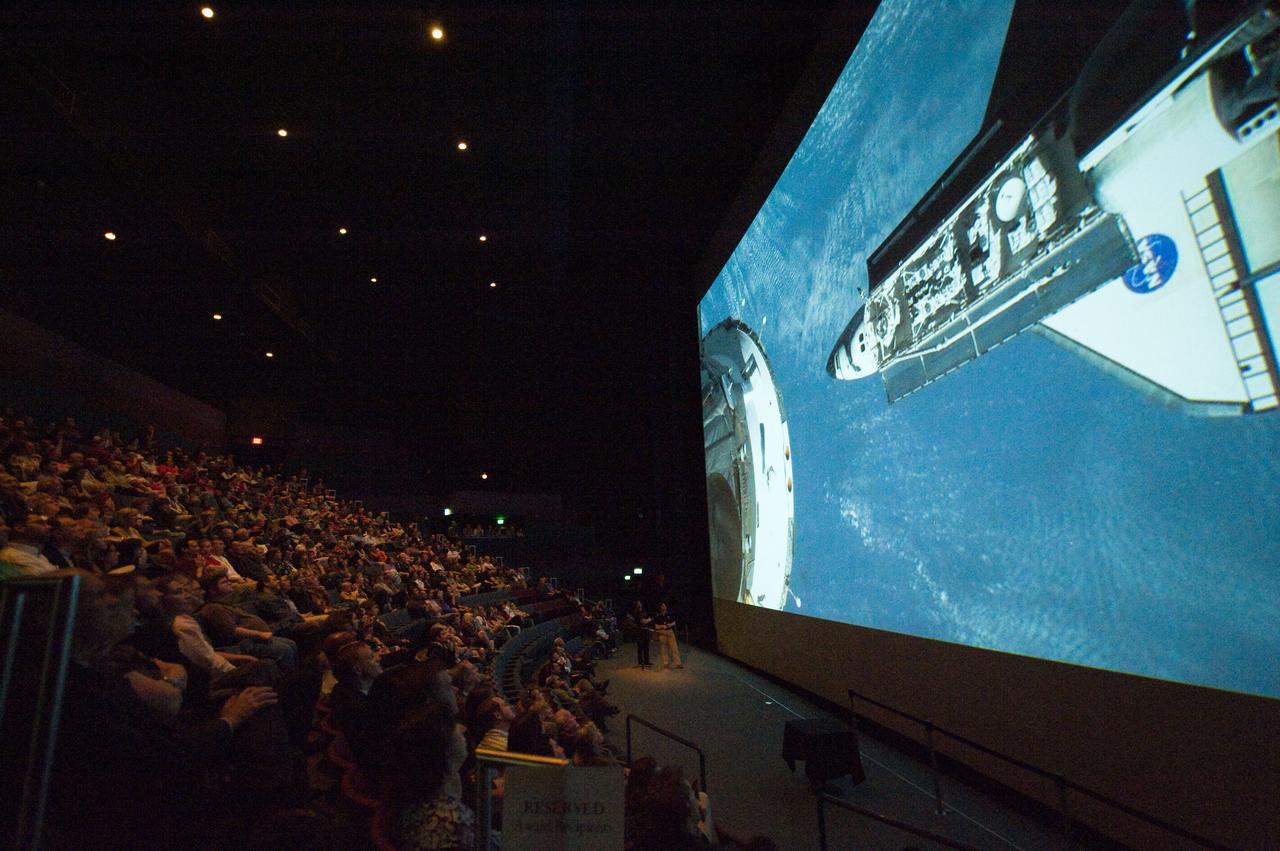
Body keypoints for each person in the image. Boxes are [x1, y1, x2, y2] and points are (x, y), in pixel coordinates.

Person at [652, 602, 682, 670]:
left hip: (670, 632)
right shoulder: (658, 616)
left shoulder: (670, 614)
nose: (664, 607)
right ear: (660, 608)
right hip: (662, 632)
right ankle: (666, 663)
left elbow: (674, 622)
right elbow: (656, 626)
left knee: (674, 648)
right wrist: (662, 626)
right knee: (664, 649)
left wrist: (670, 625)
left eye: (664, 605)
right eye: (662, 606)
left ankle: (678, 663)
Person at [629, 600, 652, 669]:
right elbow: (642, 621)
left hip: (646, 630)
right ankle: (640, 662)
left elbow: (647, 618)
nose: (640, 605)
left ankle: (646, 661)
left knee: (646, 646)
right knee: (640, 646)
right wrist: (648, 620)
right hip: (639, 631)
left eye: (640, 603)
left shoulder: (644, 611)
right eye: (638, 604)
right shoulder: (636, 613)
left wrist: (648, 620)